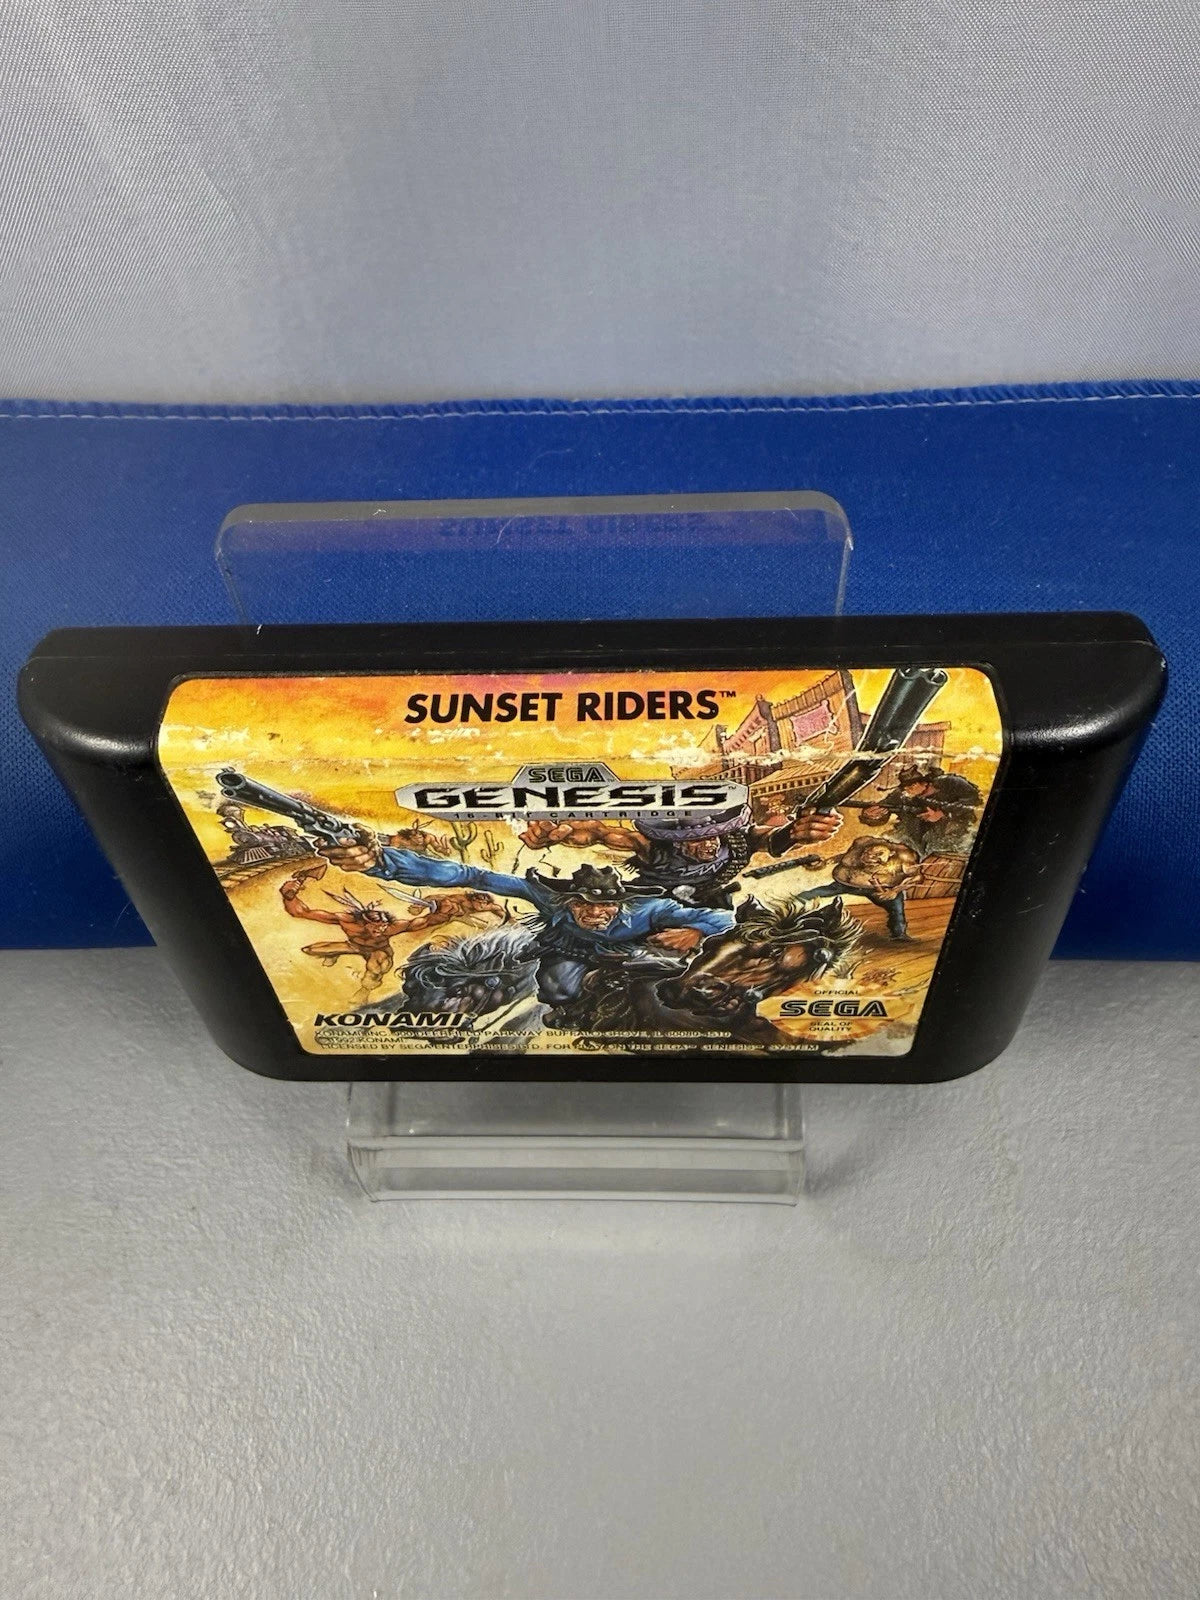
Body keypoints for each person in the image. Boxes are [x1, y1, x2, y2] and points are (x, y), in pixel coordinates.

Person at [316, 834, 735, 1026]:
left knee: (668, 977)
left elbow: (725, 922)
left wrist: (697, 934)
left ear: (620, 903)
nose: (595, 914)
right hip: (570, 952)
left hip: (633, 951)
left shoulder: (651, 909)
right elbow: (471, 875)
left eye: (605, 906)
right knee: (559, 993)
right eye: (584, 905)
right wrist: (382, 863)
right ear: (568, 901)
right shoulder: (548, 899)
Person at [519, 798, 840, 910]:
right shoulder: (651, 847)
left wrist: (799, 831)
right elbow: (601, 833)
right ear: (677, 841)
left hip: (711, 902)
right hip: (652, 903)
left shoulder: (737, 840)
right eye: (697, 840)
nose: (710, 844)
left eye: (714, 836)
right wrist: (561, 833)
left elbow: (773, 839)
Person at [279, 860, 500, 1001]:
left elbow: (422, 922)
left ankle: (364, 992)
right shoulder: (346, 921)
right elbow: (303, 912)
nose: (381, 929)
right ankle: (335, 953)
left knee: (379, 967)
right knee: (311, 950)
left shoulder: (394, 927)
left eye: (383, 926)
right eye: (376, 927)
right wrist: (289, 895)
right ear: (363, 923)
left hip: (378, 950)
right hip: (354, 945)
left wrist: (443, 915)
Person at [797, 836, 923, 940]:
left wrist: (894, 891)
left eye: (878, 855)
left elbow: (917, 877)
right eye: (868, 853)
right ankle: (792, 904)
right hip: (845, 884)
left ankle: (899, 934)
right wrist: (826, 861)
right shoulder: (862, 843)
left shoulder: (905, 857)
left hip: (880, 890)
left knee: (896, 909)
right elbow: (846, 857)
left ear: (891, 853)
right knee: (811, 894)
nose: (870, 857)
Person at [858, 764, 981, 854]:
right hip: (914, 839)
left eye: (912, 785)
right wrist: (870, 815)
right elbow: (884, 808)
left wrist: (942, 813)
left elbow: (973, 799)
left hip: (953, 836)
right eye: (906, 787)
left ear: (925, 782)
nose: (908, 790)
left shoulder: (950, 783)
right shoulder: (902, 794)